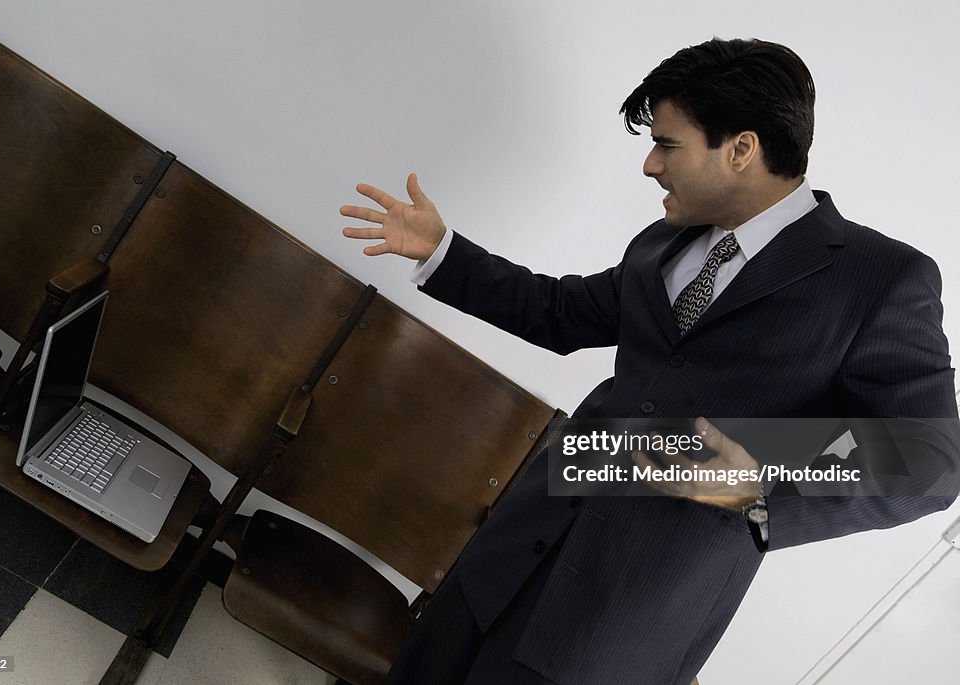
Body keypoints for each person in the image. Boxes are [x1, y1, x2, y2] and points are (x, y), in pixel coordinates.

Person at [340, 38, 960, 685]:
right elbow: (559, 311)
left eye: (667, 144)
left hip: (620, 623)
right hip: (511, 555)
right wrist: (444, 252)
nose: (649, 164)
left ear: (742, 149)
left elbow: (932, 461)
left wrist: (760, 479)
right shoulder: (665, 240)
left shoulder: (881, 279)